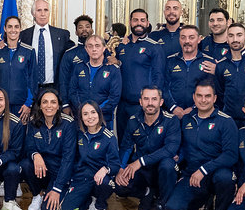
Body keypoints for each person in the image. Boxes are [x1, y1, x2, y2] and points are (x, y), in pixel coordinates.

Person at [160, 80, 239, 210]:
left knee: (225, 178)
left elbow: (231, 155)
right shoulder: (187, 119)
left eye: (208, 96)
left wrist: (204, 169)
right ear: (194, 98)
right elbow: (184, 147)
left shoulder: (226, 121)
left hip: (217, 172)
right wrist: (177, 160)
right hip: (192, 174)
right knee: (173, 208)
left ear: (214, 98)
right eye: (199, 96)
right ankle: (203, 201)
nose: (203, 100)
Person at [114, 86, 180, 210]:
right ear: (140, 101)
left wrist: (141, 161)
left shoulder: (171, 120)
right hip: (143, 172)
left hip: (162, 170)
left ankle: (162, 205)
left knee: (168, 164)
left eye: (154, 99)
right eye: (146, 99)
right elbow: (126, 146)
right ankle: (147, 193)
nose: (150, 103)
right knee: (119, 185)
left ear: (161, 102)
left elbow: (170, 149)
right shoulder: (133, 120)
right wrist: (120, 168)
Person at [53, 101, 120, 210]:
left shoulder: (109, 137)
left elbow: (116, 165)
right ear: (81, 118)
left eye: (93, 112)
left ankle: (100, 205)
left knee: (106, 183)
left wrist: (105, 169)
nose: (90, 117)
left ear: (99, 114)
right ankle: (87, 200)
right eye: (85, 114)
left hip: (98, 179)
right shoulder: (79, 134)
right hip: (81, 178)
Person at [21, 88, 76, 210]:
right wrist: (36, 155)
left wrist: (57, 189)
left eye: (53, 102)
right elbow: (29, 146)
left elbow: (68, 158)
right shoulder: (34, 122)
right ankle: (37, 194)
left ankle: (57, 190)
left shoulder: (68, 124)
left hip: (60, 171)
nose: (49, 105)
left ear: (58, 106)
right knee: (25, 164)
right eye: (45, 102)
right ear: (40, 106)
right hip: (43, 168)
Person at [113, 8, 165, 137]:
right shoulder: (121, 45)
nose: (139, 23)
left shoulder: (154, 47)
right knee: (123, 143)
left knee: (142, 144)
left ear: (147, 23)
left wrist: (151, 102)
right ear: (130, 22)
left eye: (142, 20)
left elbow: (158, 76)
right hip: (122, 105)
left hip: (142, 106)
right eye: (135, 20)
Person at [68, 35, 122, 128]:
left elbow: (114, 97)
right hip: (81, 118)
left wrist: (95, 111)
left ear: (104, 48)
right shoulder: (79, 67)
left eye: (97, 46)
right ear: (86, 49)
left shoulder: (113, 69)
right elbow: (73, 91)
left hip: (104, 118)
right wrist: (83, 110)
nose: (94, 49)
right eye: (90, 46)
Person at [164, 24, 216, 118]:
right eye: (183, 37)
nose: (187, 41)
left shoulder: (208, 62)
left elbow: (211, 90)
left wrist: (194, 108)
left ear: (199, 39)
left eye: (191, 38)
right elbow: (164, 87)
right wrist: (173, 107)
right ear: (179, 39)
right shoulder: (170, 61)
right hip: (172, 115)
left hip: (198, 115)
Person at [21, 0, 71, 92]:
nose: (43, 14)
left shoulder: (61, 35)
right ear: (33, 13)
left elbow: (76, 51)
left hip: (54, 88)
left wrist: (106, 56)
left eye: (46, 10)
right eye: (39, 10)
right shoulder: (24, 35)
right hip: (30, 89)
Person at [0, 15, 36, 120]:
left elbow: (33, 80)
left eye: (16, 27)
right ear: (5, 29)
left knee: (19, 135)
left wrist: (28, 104)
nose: (13, 30)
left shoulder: (29, 51)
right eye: (10, 26)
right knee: (2, 136)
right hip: (0, 105)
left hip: (21, 106)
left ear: (20, 29)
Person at [58, 15, 94, 109]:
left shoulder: (102, 51)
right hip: (75, 105)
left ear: (92, 30)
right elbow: (63, 80)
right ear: (76, 32)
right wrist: (65, 104)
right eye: (80, 27)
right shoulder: (69, 54)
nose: (84, 29)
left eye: (87, 26)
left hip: (98, 104)